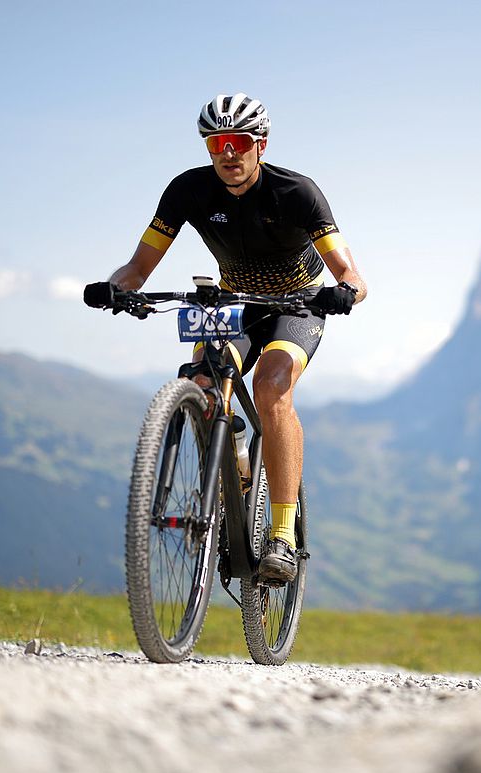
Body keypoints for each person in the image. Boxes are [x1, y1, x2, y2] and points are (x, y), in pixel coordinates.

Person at [83, 92, 367, 583]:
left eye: (238, 142)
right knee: (203, 379)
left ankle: (281, 535)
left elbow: (353, 276)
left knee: (272, 386)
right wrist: (117, 289)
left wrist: (343, 294)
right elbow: (138, 267)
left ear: (260, 144)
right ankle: (232, 465)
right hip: (233, 304)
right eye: (217, 144)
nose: (228, 154)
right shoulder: (187, 191)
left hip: (296, 305)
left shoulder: (297, 192)